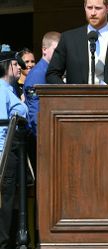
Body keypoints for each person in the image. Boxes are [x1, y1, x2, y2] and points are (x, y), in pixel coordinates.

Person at [0, 48, 28, 249]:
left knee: (10, 199)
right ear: (8, 66)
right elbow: (2, 127)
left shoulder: (9, 90)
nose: (20, 67)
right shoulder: (1, 90)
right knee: (6, 200)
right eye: (17, 64)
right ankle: (2, 246)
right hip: (6, 152)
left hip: (12, 152)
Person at [23, 31, 61, 174]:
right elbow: (35, 112)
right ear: (44, 50)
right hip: (42, 140)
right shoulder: (38, 74)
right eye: (56, 50)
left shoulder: (51, 71)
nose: (60, 54)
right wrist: (44, 140)